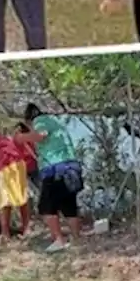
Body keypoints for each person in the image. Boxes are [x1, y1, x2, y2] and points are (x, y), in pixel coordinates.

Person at [16, 103, 84, 253]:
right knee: (69, 206)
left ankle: (58, 239)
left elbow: (41, 135)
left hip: (55, 169)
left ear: (29, 119)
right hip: (71, 165)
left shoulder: (40, 121)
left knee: (46, 207)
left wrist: (23, 137)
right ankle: (77, 239)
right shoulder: (56, 122)